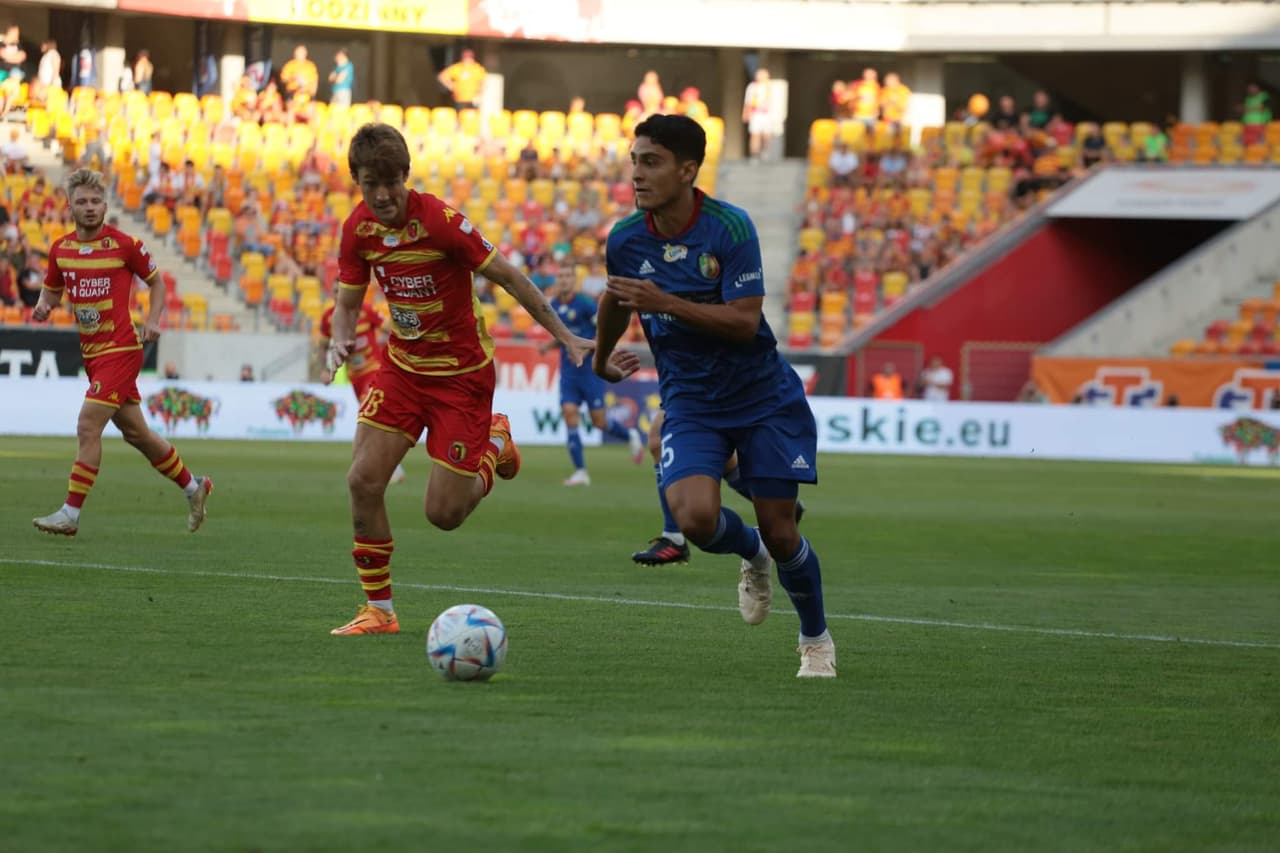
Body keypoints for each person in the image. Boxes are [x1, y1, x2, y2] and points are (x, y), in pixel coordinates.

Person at [325, 122, 593, 636]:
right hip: (403, 370)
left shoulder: (443, 223)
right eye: (368, 184)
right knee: (362, 479)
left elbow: (511, 277)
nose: (381, 196)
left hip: (461, 379)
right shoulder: (357, 230)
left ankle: (495, 440)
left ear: (406, 175)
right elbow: (348, 303)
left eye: (390, 183)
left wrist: (565, 336)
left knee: (444, 514)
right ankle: (379, 611)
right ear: (357, 182)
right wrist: (339, 340)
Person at [594, 114, 835, 678]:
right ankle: (749, 553)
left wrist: (668, 302)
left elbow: (746, 324)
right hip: (692, 403)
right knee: (698, 522)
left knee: (784, 529)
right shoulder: (627, 238)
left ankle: (815, 640)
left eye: (650, 162)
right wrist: (603, 357)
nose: (637, 174)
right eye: (634, 161)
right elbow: (617, 299)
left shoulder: (729, 227)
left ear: (688, 170)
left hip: (763, 399)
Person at [29, 168, 213, 537]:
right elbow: (52, 290)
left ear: (105, 205)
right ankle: (195, 487)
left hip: (122, 348)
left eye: (96, 201)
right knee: (138, 435)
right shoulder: (61, 250)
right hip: (93, 356)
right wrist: (44, 305)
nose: (90, 207)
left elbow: (157, 283)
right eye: (82, 201)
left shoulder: (124, 245)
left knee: (87, 424)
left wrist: (154, 319)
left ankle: (70, 513)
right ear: (70, 207)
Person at [538, 267, 644, 486]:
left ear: (574, 280)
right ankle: (580, 472)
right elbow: (564, 336)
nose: (564, 280)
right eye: (560, 276)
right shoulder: (554, 306)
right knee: (569, 413)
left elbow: (603, 330)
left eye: (567, 276)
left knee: (600, 422)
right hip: (568, 372)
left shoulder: (586, 304)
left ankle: (630, 435)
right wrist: (549, 345)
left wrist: (589, 349)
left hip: (589, 371)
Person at [318, 298, 406, 484]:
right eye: (335, 291)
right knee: (374, 419)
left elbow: (389, 328)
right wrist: (324, 369)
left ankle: (388, 468)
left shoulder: (366, 310)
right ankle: (389, 464)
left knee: (370, 415)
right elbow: (322, 346)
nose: (338, 294)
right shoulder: (329, 317)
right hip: (354, 377)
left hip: (374, 369)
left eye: (341, 290)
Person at [742, 68, 774, 162]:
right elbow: (748, 102)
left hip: (767, 114)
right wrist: (745, 113)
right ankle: (754, 155)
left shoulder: (770, 86)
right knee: (755, 135)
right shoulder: (752, 87)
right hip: (755, 113)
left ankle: (765, 152)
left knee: (766, 135)